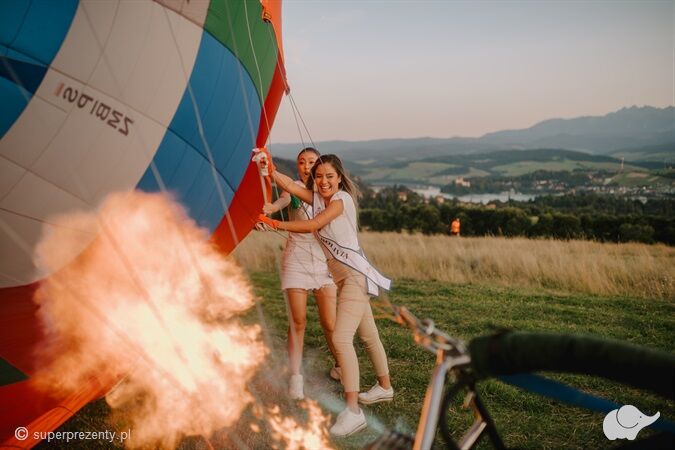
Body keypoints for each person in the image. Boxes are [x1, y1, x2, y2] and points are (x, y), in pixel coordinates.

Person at [255, 149, 393, 437]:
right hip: (346, 280)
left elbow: (314, 225)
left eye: (329, 176)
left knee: (342, 339)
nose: (323, 181)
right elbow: (292, 187)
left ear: (340, 178)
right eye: (318, 177)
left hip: (354, 279)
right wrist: (269, 168)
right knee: (368, 335)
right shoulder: (320, 197)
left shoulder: (340, 201)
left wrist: (273, 224)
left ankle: (353, 412)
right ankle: (384, 386)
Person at [261, 147, 340, 400]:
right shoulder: (294, 186)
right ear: (297, 167)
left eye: (312, 162)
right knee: (298, 322)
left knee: (330, 323)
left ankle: (341, 365)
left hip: (323, 261)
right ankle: (296, 377)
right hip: (296, 259)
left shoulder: (326, 192)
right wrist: (269, 208)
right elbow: (281, 201)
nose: (307, 166)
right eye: (302, 162)